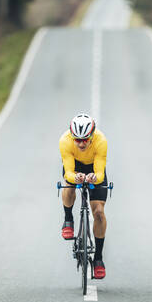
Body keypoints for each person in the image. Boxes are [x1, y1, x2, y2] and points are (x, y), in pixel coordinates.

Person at [59, 113, 108, 279]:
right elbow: (68, 172)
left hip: (94, 168)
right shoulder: (65, 140)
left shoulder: (101, 141)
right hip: (75, 167)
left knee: (99, 213)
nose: (81, 143)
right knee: (69, 186)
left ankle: (98, 259)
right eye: (77, 139)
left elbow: (100, 171)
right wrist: (75, 177)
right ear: (72, 136)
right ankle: (68, 219)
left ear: (92, 136)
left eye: (85, 140)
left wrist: (95, 177)